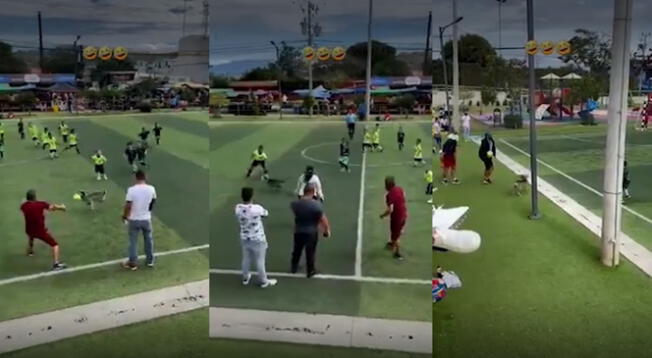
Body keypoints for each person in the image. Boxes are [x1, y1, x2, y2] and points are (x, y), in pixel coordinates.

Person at [235, 187, 277, 288]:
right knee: (260, 260)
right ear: (252, 196)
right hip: (258, 238)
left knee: (246, 258)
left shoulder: (238, 208)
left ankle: (245, 277)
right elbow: (266, 213)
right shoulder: (257, 208)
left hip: (245, 237)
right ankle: (263, 281)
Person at [290, 183, 331, 278]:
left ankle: (294, 267)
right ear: (313, 192)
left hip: (298, 230)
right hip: (311, 231)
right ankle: (310, 270)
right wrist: (326, 230)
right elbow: (322, 219)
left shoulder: (295, 204)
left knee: (297, 250)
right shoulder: (316, 205)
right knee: (310, 252)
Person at [20, 189, 67, 270]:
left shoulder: (23, 206)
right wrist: (61, 207)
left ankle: (30, 251)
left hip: (29, 230)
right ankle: (56, 264)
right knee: (55, 245)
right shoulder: (40, 204)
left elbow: (24, 205)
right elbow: (52, 207)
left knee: (31, 236)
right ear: (35, 197)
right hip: (40, 231)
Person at [121, 170, 157, 270]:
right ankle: (150, 261)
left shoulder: (131, 190)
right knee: (148, 240)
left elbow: (128, 205)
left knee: (133, 241)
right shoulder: (151, 189)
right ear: (145, 178)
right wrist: (148, 210)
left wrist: (124, 216)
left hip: (134, 219)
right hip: (146, 219)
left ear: (136, 178)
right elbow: (153, 201)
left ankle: (133, 263)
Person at [380, 176, 407, 260]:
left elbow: (390, 209)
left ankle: (397, 253)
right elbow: (404, 196)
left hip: (396, 218)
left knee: (395, 236)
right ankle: (391, 243)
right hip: (404, 214)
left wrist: (383, 215)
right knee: (397, 232)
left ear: (387, 185)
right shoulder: (400, 189)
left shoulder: (389, 195)